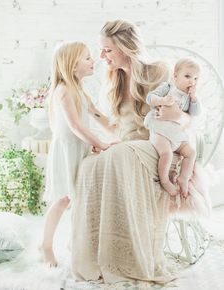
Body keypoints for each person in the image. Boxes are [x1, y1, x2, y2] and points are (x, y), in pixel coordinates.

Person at [70, 20, 210, 285]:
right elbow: (120, 130)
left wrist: (176, 114)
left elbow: (189, 120)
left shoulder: (159, 72)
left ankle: (132, 257)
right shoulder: (114, 81)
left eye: (107, 50)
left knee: (121, 155)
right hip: (131, 148)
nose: (102, 57)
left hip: (163, 146)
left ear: (125, 47)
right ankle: (101, 254)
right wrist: (94, 124)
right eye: (101, 50)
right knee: (91, 162)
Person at [40, 41, 114, 267]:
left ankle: (76, 241)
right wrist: (99, 143)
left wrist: (117, 131)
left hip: (79, 148)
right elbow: (75, 126)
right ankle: (45, 245)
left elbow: (97, 115)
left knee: (80, 198)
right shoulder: (63, 91)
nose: (94, 61)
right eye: (88, 58)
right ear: (73, 66)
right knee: (63, 199)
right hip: (66, 151)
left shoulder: (80, 90)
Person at [144, 58, 201, 198]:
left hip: (176, 134)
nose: (191, 82)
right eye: (187, 76)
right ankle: (164, 181)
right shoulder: (168, 87)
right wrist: (162, 100)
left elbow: (195, 113)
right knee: (167, 154)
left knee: (191, 152)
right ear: (175, 76)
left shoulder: (189, 97)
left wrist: (194, 98)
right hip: (160, 130)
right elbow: (150, 98)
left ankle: (184, 178)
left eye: (195, 78)